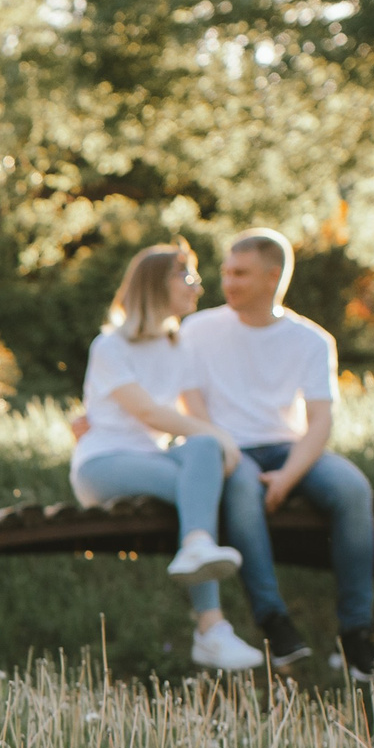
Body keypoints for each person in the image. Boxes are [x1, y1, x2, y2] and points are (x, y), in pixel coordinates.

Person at [186, 231, 374, 680]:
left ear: (273, 276)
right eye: (227, 272)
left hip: (287, 447)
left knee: (353, 490)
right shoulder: (199, 330)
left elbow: (319, 422)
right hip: (227, 446)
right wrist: (224, 446)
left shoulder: (311, 340)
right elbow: (190, 405)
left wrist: (289, 477)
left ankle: (356, 631)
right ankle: (274, 621)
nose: (228, 282)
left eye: (241, 273)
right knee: (241, 491)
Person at [68, 244, 264, 671]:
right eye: (187, 278)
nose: (198, 287)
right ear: (158, 285)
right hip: (105, 462)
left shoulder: (181, 347)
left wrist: (217, 446)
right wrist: (218, 439)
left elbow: (194, 418)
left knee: (204, 452)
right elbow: (148, 412)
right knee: (199, 478)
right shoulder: (111, 345)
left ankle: (205, 590)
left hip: (155, 459)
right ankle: (210, 628)